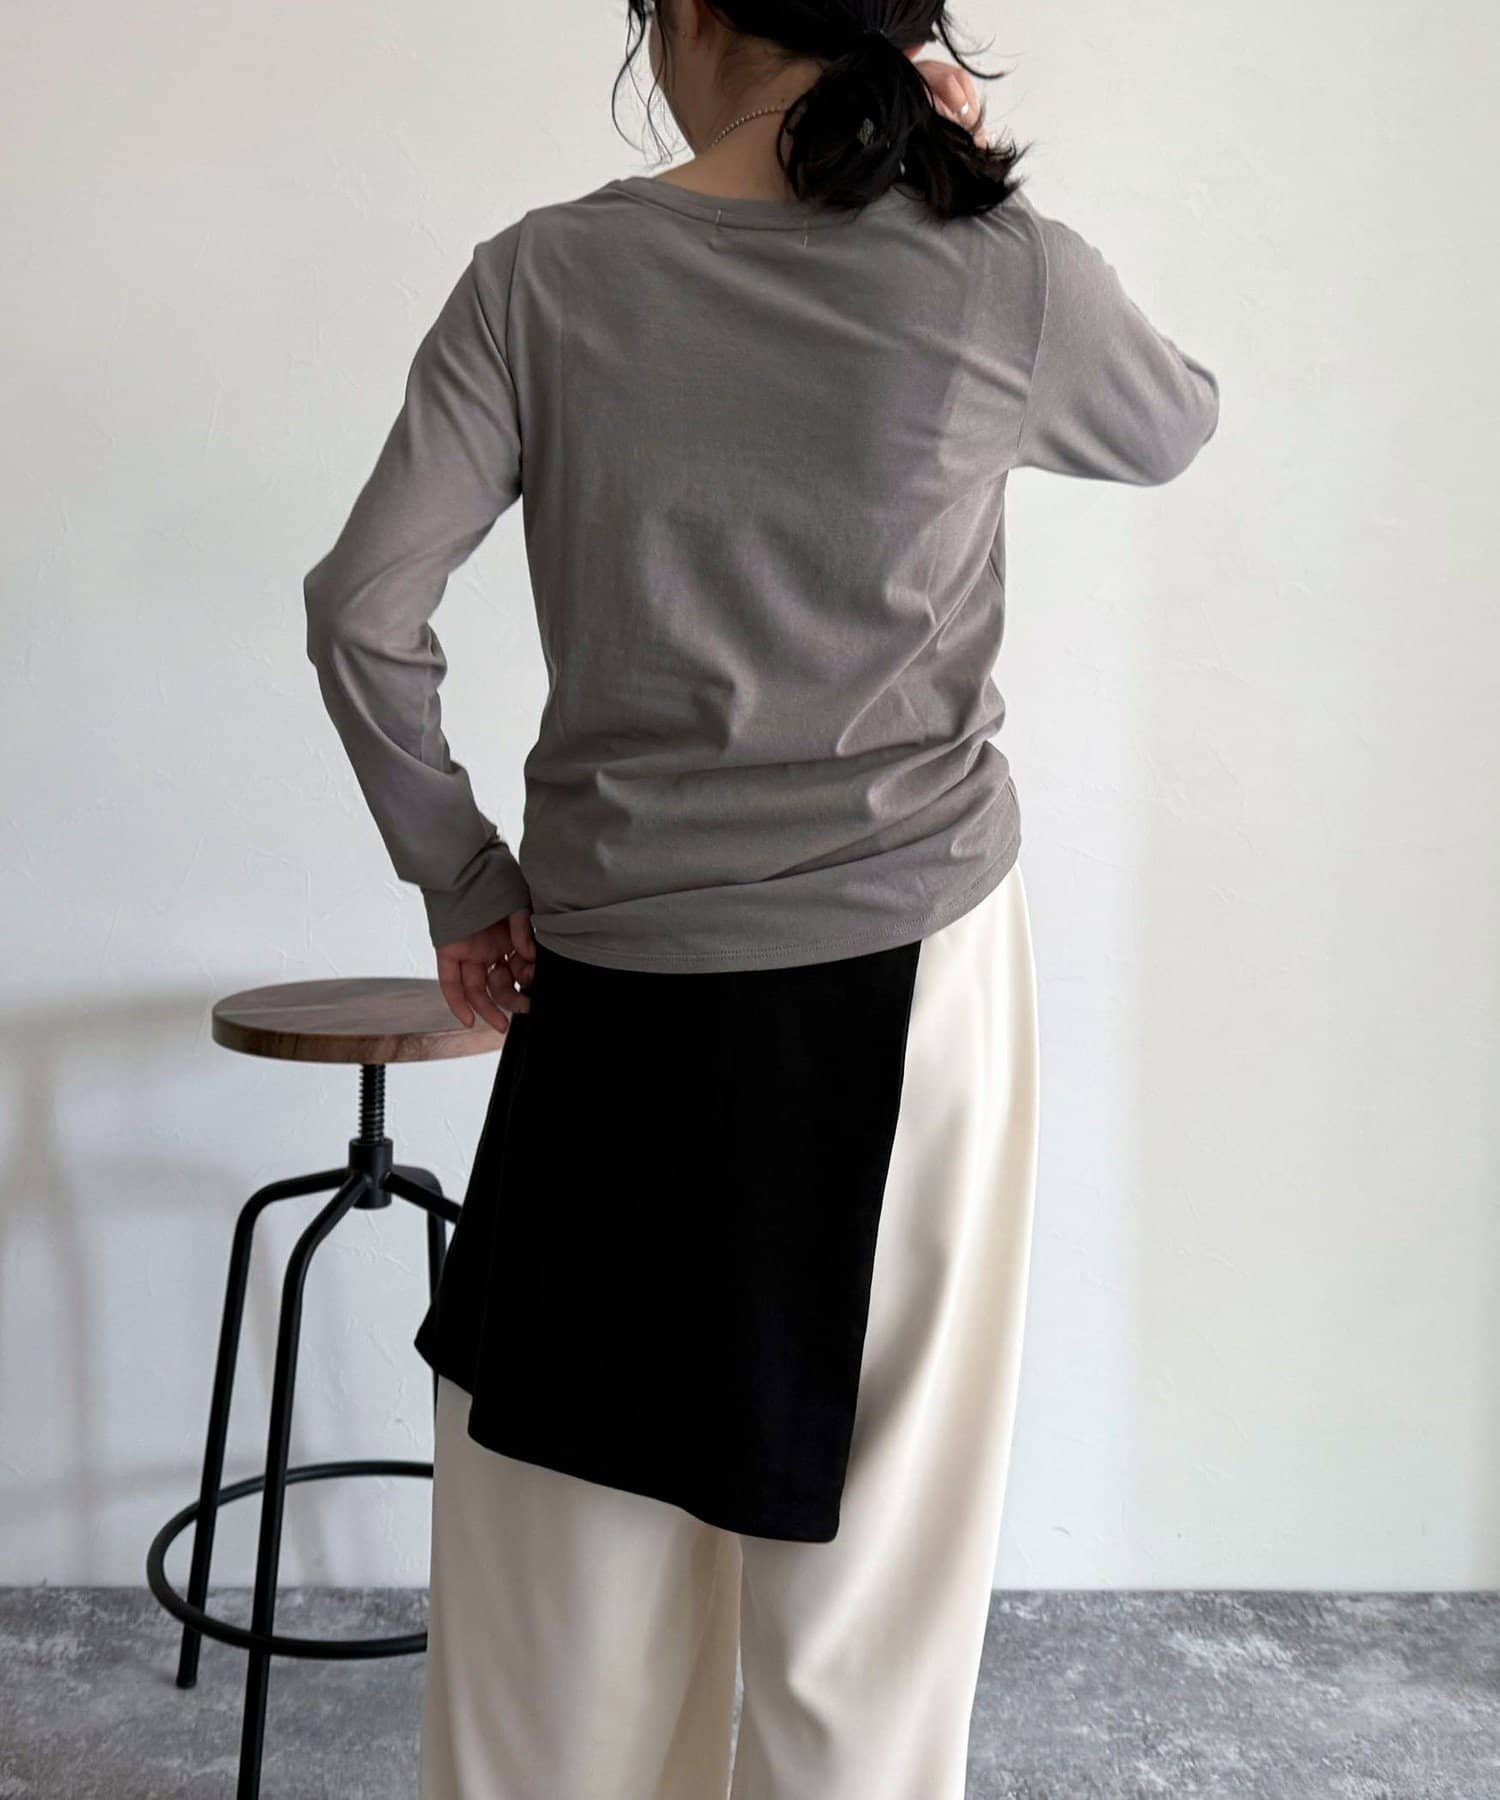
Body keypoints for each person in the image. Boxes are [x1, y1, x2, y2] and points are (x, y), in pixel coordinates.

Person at [301, 2, 1220, 1794]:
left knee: (561, 1608)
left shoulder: (542, 277)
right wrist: (979, 184)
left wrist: (463, 878)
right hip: (912, 977)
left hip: (610, 998)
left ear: (689, 12)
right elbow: (1171, 422)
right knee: (862, 1614)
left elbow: (362, 611)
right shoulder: (994, 270)